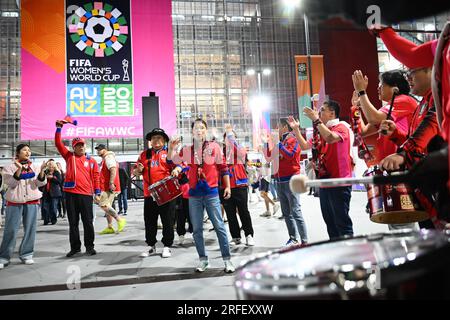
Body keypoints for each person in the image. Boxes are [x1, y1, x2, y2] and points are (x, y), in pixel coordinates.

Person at [167, 118, 235, 273]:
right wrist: (171, 148)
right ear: (192, 131)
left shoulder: (214, 147)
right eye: (196, 128)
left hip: (211, 193)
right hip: (194, 196)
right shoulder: (187, 150)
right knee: (197, 229)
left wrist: (228, 187)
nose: (199, 130)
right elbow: (172, 160)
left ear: (206, 130)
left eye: (202, 128)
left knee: (219, 226)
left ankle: (227, 260)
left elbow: (223, 168)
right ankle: (203, 260)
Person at [352, 69, 417, 230]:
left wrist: (362, 92)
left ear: (395, 88)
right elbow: (364, 131)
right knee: (397, 220)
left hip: (403, 168)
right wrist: (357, 108)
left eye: (382, 84)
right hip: (392, 169)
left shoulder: (404, 100)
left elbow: (373, 118)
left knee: (403, 221)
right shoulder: (391, 107)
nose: (378, 88)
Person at [288, 100, 355, 239]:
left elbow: (331, 138)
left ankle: (349, 252)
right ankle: (336, 250)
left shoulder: (341, 127)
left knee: (342, 222)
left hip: (339, 182)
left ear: (332, 113)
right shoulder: (320, 130)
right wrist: (295, 130)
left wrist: (316, 120)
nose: (319, 113)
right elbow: (306, 146)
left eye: (322, 110)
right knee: (330, 222)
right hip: (323, 182)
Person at [55, 121, 101, 257]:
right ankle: (75, 248)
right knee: (73, 223)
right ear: (73, 147)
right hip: (70, 194)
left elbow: (96, 177)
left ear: (85, 146)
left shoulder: (91, 161)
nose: (80, 147)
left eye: (82, 145)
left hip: (86, 195)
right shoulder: (69, 157)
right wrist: (59, 128)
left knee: (88, 222)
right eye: (77, 145)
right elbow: (58, 144)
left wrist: (97, 192)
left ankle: (89, 247)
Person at [261, 118, 308, 246]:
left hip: (292, 180)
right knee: (286, 213)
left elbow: (290, 155)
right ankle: (293, 238)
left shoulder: (293, 139)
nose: (277, 130)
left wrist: (279, 144)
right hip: (280, 181)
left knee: (296, 211)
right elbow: (268, 158)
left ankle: (305, 241)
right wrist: (266, 144)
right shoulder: (280, 142)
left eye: (279, 127)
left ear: (285, 127)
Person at [134, 128, 179, 259]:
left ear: (164, 140)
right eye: (153, 138)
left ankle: (167, 246)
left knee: (168, 221)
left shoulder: (169, 153)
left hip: (167, 194)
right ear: (150, 141)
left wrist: (176, 169)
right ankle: (151, 246)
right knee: (149, 221)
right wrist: (138, 170)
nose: (156, 140)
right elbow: (136, 172)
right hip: (150, 194)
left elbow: (180, 165)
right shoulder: (144, 155)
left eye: (159, 138)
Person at [0, 144, 47, 269]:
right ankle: (4, 257)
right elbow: (11, 183)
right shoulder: (9, 167)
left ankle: (27, 254)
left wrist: (42, 170)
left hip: (32, 200)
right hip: (14, 201)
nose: (28, 152)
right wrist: (20, 169)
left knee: (30, 229)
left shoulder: (35, 167)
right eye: (25, 150)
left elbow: (39, 183)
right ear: (18, 153)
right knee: (10, 230)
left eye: (29, 150)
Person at [220, 124, 255, 246]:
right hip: (226, 186)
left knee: (243, 211)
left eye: (232, 137)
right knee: (230, 213)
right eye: (227, 137)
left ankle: (249, 234)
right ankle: (235, 237)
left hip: (240, 185)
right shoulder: (220, 153)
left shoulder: (240, 148)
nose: (230, 139)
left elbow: (237, 153)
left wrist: (230, 135)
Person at [95, 144, 126, 235]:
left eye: (100, 149)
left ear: (105, 149)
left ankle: (119, 220)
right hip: (107, 186)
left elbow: (113, 169)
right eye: (97, 150)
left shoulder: (108, 157)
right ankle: (110, 227)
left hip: (108, 186)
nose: (98, 151)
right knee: (107, 206)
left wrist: (111, 183)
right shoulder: (106, 158)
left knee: (103, 205)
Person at [41, 160, 62, 225]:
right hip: (46, 192)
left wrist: (52, 177)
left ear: (54, 166)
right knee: (45, 208)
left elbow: (59, 181)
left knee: (53, 208)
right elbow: (41, 180)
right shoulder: (45, 172)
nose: (50, 166)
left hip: (54, 193)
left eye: (51, 165)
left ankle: (53, 220)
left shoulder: (57, 172)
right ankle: (46, 220)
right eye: (49, 165)